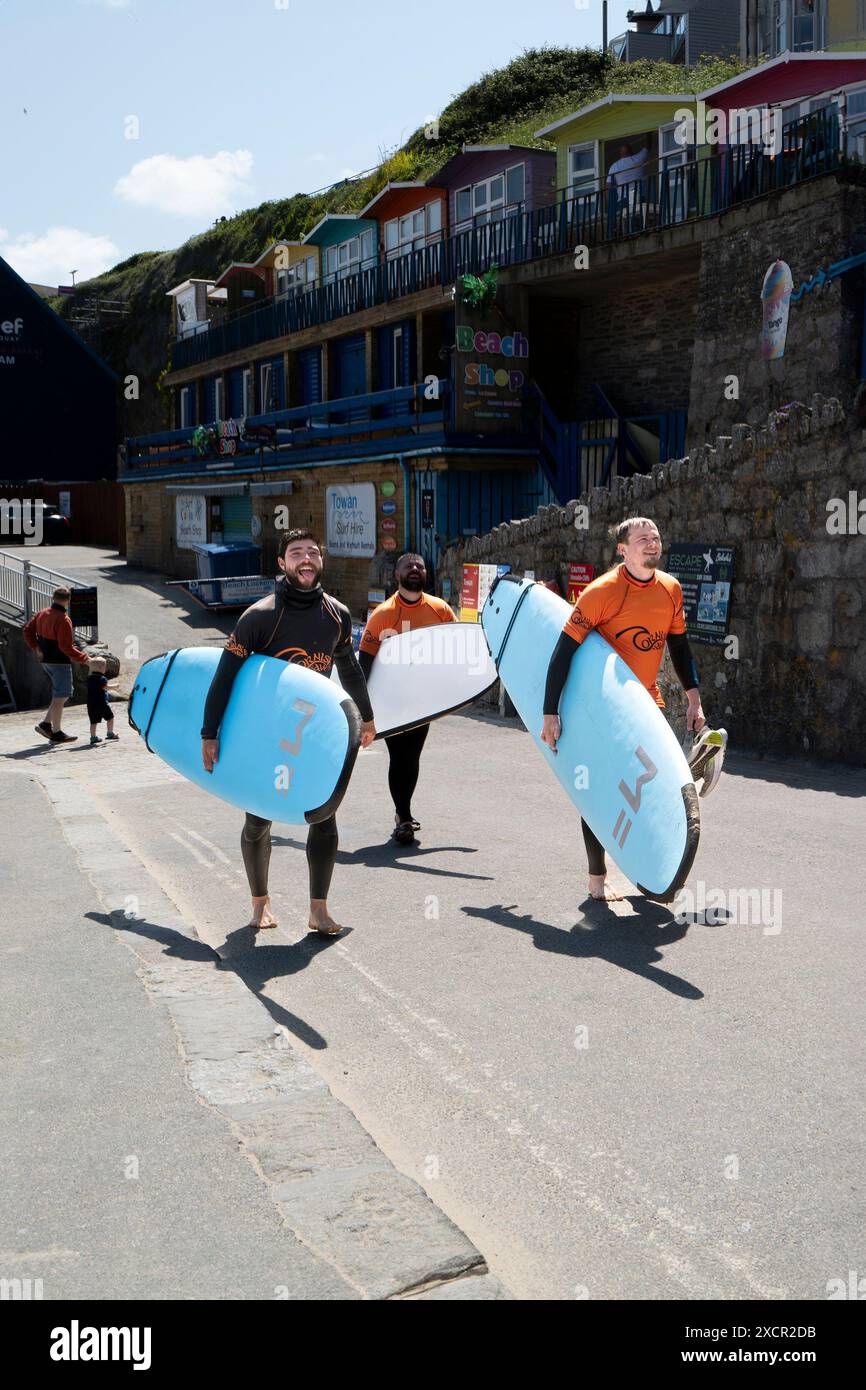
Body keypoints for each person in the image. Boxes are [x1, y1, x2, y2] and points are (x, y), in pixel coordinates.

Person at [200, 530, 376, 935]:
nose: (306, 559)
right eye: (296, 553)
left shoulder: (336, 614)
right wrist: (210, 732)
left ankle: (319, 910)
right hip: (266, 733)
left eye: (313, 553)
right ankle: (260, 905)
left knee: (324, 814)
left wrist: (365, 718)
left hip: (315, 733)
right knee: (260, 818)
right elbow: (225, 676)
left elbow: (349, 669)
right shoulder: (259, 616)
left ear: (322, 561)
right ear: (281, 563)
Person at [541, 516, 706, 903]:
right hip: (603, 710)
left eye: (656, 537)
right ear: (622, 549)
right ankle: (597, 879)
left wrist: (693, 696)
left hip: (647, 705)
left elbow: (679, 647)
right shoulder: (602, 592)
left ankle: (645, 863)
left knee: (650, 784)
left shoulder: (671, 589)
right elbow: (563, 651)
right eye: (643, 538)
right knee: (599, 792)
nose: (652, 542)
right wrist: (551, 710)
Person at [358, 553, 456, 845]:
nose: (414, 569)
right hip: (390, 700)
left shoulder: (440, 610)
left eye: (420, 566)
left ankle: (403, 814)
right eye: (408, 566)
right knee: (399, 756)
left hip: (422, 700)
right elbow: (364, 663)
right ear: (396, 575)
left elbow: (457, 650)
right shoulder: (383, 614)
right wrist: (365, 707)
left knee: (411, 757)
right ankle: (403, 817)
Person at [22, 585, 90, 744]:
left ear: (53, 598)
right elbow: (65, 647)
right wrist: (85, 658)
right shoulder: (64, 619)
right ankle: (57, 731)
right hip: (59, 661)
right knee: (62, 694)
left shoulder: (42, 613)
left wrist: (36, 647)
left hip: (46, 660)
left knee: (62, 693)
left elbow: (27, 630)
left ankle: (46, 724)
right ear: (68, 601)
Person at [606, 142, 649, 235]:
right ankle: (640, 233)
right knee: (639, 216)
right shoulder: (638, 158)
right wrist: (648, 135)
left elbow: (608, 186)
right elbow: (648, 146)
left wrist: (609, 204)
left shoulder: (614, 166)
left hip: (623, 199)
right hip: (639, 196)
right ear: (631, 151)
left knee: (625, 218)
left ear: (620, 154)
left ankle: (627, 234)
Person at [86, 656, 119, 746]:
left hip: (91, 704)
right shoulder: (102, 678)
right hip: (102, 703)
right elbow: (105, 687)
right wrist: (115, 686)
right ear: (101, 668)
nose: (105, 669)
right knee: (110, 717)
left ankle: (93, 737)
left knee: (93, 721)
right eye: (105, 667)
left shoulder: (89, 678)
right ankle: (110, 733)